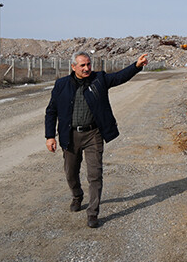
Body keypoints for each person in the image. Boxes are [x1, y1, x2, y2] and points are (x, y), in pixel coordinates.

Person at [45, 51, 148, 228]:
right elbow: (51, 111)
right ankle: (77, 196)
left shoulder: (99, 79)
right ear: (73, 67)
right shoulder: (61, 85)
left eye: (89, 64)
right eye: (82, 65)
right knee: (70, 172)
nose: (87, 68)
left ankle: (93, 213)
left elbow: (119, 77)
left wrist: (136, 66)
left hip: (93, 134)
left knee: (95, 174)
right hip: (70, 135)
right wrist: (49, 136)